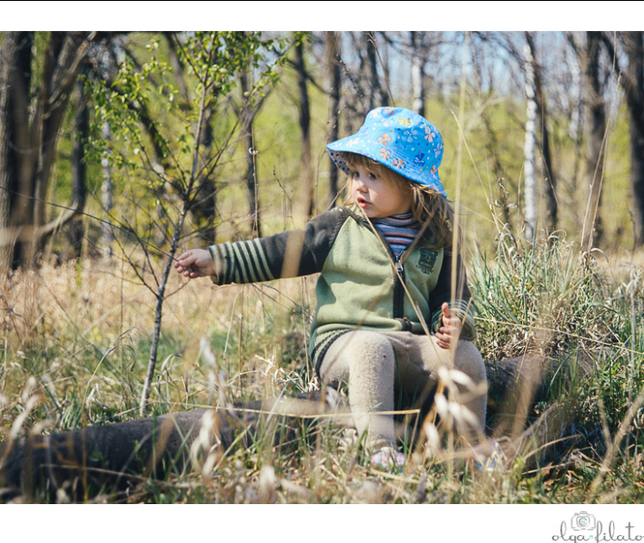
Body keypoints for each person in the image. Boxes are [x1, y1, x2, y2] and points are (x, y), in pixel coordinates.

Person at [175, 107, 487, 472]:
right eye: (355, 172)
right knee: (372, 346)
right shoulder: (339, 227)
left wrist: (453, 322)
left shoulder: (437, 236)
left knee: (465, 356)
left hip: (408, 345)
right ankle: (379, 449)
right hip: (345, 343)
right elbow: (279, 252)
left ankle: (469, 448)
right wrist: (217, 260)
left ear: (410, 182)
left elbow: (453, 293)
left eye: (373, 175)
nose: (359, 184)